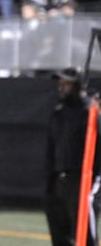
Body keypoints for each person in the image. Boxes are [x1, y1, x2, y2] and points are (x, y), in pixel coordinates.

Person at [44, 67, 101, 246]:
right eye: (60, 84)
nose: (61, 87)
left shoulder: (90, 112)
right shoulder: (58, 113)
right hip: (60, 178)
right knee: (59, 229)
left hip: (83, 178)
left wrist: (93, 179)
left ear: (76, 85)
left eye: (66, 83)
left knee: (83, 228)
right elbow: (52, 146)